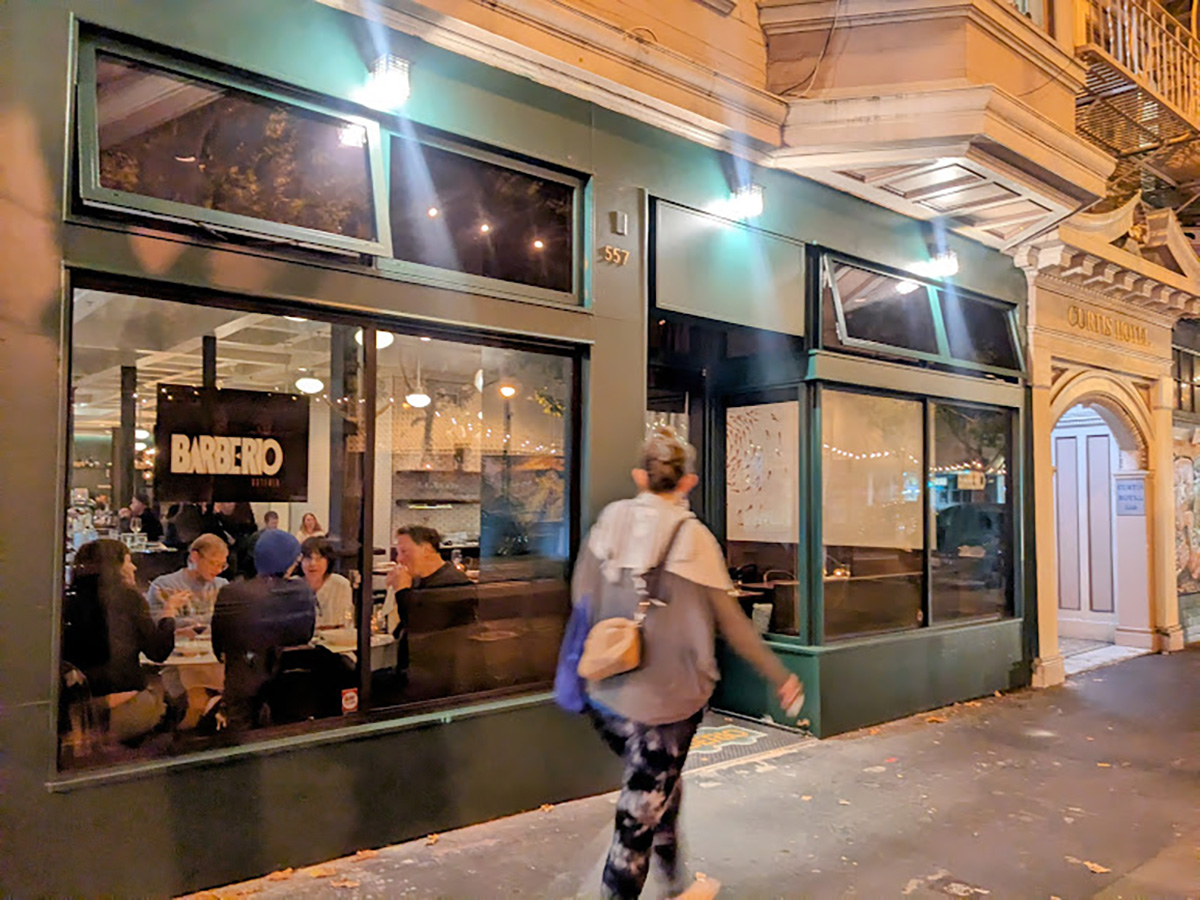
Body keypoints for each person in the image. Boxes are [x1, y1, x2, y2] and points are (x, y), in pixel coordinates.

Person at [572, 426, 803, 900]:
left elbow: (582, 596)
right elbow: (734, 625)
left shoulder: (610, 520)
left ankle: (676, 880)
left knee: (659, 785)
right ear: (688, 482)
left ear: (639, 475)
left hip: (606, 697)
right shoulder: (694, 538)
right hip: (668, 703)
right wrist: (780, 676)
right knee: (637, 814)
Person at [61, 539, 185, 743]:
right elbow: (158, 652)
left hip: (76, 705)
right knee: (176, 703)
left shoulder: (67, 600)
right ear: (116, 567)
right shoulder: (128, 598)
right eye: (129, 561)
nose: (134, 567)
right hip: (120, 702)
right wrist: (169, 612)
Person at [211, 530, 317, 730]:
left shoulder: (231, 592)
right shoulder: (303, 590)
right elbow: (306, 635)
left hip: (243, 686)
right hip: (290, 685)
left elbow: (219, 645)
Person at [145, 534, 230, 631]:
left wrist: (191, 622)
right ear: (195, 557)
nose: (219, 570)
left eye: (222, 565)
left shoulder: (222, 586)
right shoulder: (163, 586)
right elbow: (160, 626)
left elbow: (229, 619)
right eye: (213, 563)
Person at [385, 525, 472, 592]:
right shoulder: (416, 580)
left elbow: (418, 614)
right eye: (398, 553)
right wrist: (392, 589)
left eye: (404, 551)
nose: (399, 559)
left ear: (427, 550)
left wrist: (402, 590)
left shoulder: (451, 583)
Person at [301, 536, 355, 629]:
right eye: (308, 558)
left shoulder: (341, 585)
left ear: (328, 561)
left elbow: (345, 623)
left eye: (319, 559)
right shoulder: (292, 585)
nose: (313, 564)